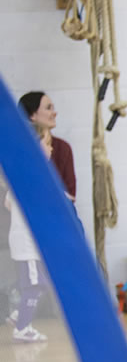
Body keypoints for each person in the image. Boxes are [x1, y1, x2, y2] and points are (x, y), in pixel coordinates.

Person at [4, 123, 52, 342]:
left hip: (25, 240)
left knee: (40, 282)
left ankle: (18, 315)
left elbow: (8, 203)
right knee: (36, 284)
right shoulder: (31, 174)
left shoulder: (25, 173)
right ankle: (22, 328)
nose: (51, 149)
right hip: (26, 241)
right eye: (47, 144)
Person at [18, 91, 76, 201]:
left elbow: (71, 196)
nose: (54, 113)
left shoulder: (63, 148)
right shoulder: (17, 149)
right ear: (32, 115)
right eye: (48, 108)